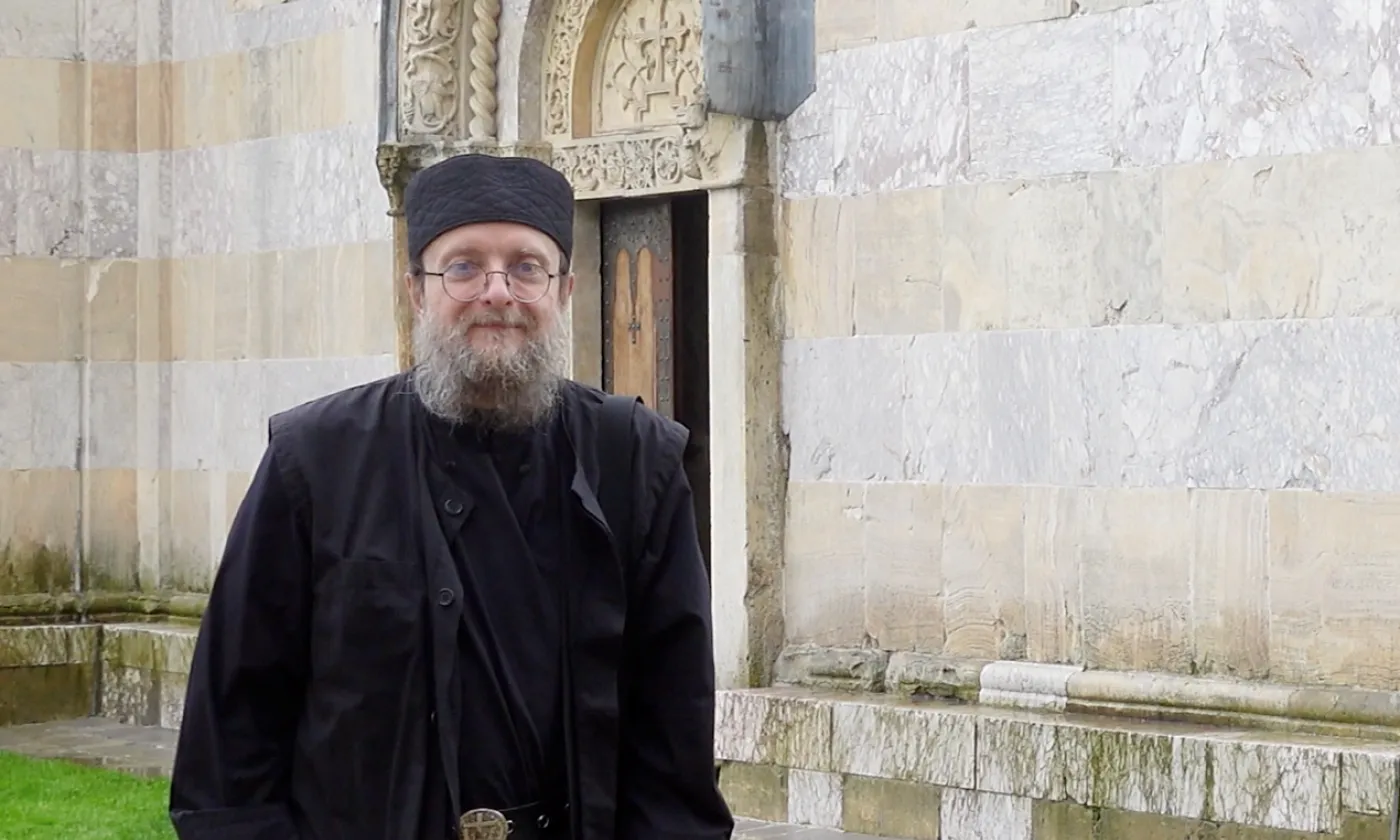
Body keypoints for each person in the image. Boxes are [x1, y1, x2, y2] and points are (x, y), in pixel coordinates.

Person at [168, 153, 734, 840]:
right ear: (415, 289)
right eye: (463, 266)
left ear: (564, 289)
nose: (497, 291)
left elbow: (672, 749)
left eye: (526, 266)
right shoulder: (314, 460)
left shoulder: (637, 462)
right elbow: (232, 742)